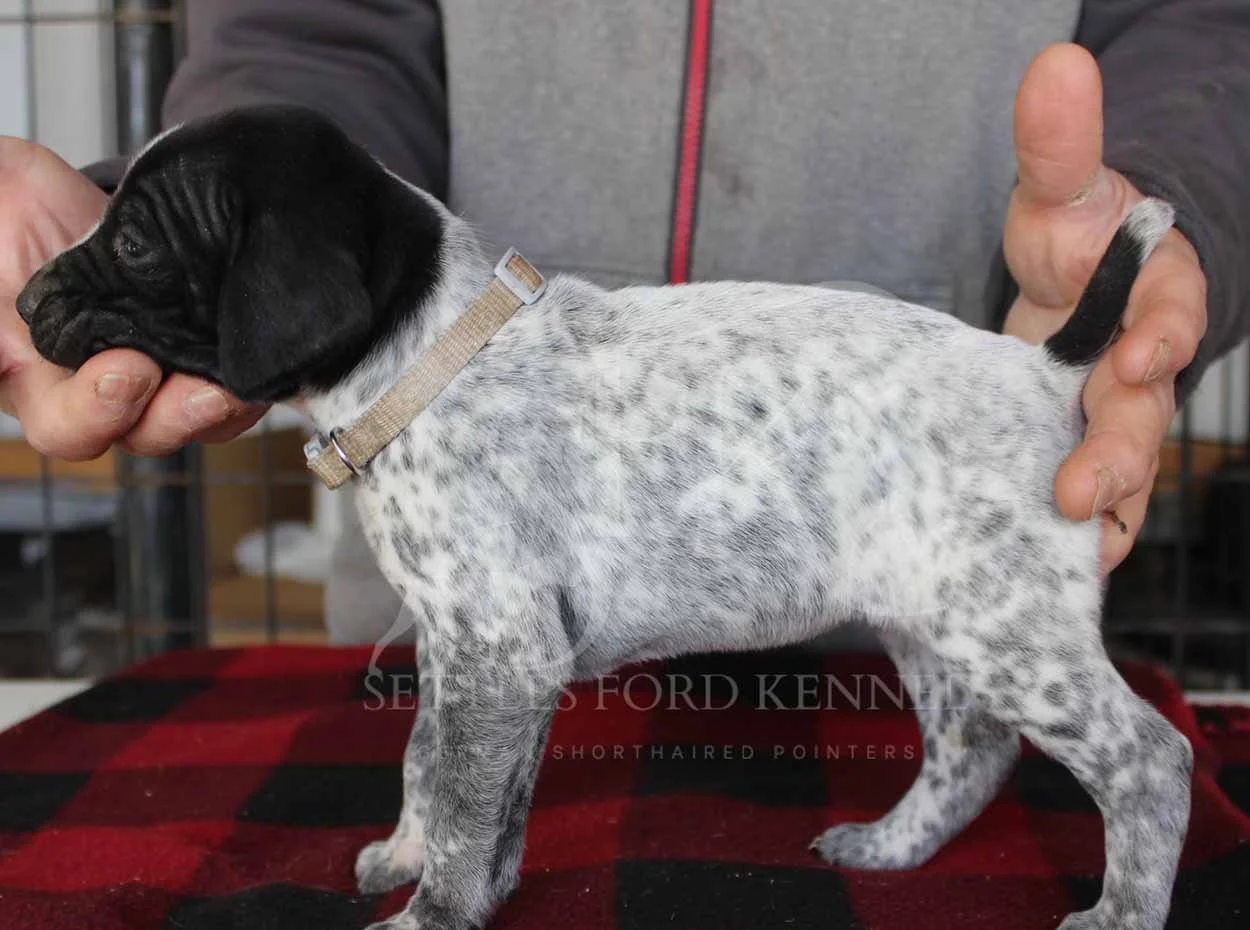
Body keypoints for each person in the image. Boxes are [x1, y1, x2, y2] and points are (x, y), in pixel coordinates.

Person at [1, 1, 1246, 644]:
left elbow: (1201, 27)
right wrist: (179, 249)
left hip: (937, 577)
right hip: (466, 630)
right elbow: (308, 33)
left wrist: (1156, 198)